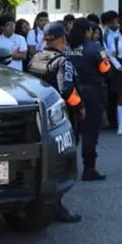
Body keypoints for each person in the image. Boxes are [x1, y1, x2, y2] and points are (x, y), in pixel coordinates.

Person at [26, 21, 83, 223]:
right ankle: (57, 207)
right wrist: (80, 107)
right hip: (60, 120)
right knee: (60, 165)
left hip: (36, 121)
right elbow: (67, 90)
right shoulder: (62, 62)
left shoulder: (35, 58)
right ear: (62, 39)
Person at [66, 18, 112, 179]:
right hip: (91, 92)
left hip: (70, 92)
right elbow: (106, 70)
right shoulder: (95, 48)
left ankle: (65, 168)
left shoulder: (66, 48)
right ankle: (89, 169)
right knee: (90, 132)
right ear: (87, 32)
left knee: (71, 132)